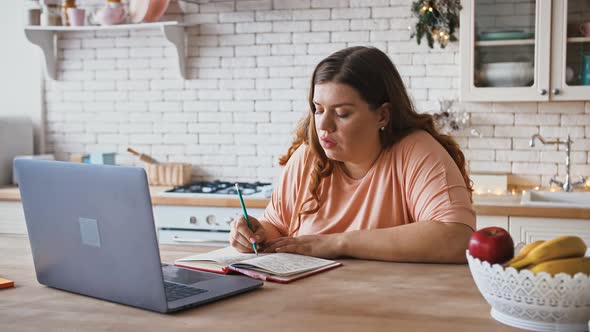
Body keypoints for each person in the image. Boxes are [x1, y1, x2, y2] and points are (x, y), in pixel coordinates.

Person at [230, 46, 475, 263]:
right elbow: (278, 228)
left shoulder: (415, 151)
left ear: (382, 115)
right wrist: (257, 233)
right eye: (318, 109)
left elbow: (456, 236)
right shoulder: (307, 158)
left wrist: (336, 243)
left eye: (342, 113)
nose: (324, 125)